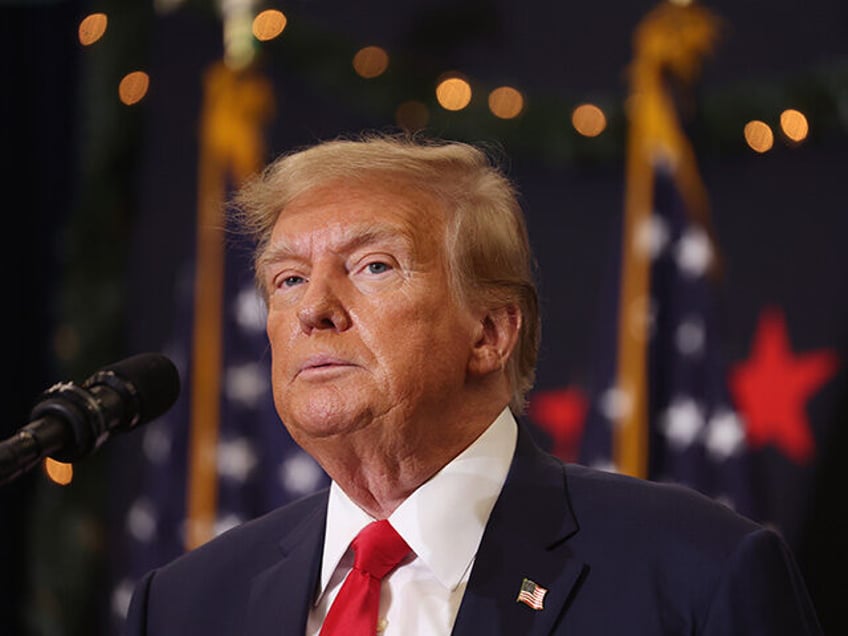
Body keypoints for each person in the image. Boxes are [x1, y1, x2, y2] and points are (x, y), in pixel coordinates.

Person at [123, 133, 821, 635]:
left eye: (373, 266)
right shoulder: (185, 604)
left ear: (489, 333)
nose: (314, 309)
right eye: (289, 279)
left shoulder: (695, 573)